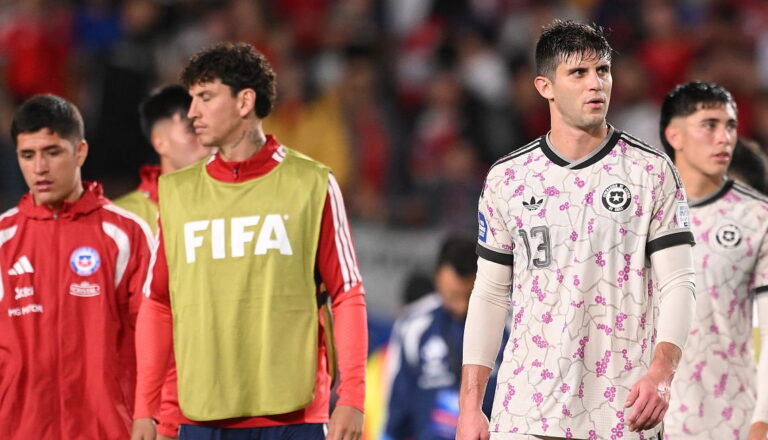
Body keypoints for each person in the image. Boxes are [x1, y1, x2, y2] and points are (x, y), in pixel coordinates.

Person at [457, 20, 696, 440]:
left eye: (603, 70)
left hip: (619, 414)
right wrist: (470, 405)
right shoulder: (508, 179)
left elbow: (679, 282)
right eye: (579, 73)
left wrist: (662, 372)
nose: (596, 84)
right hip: (525, 411)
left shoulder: (651, 172)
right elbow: (491, 294)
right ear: (545, 86)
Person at [131, 42, 368, 440]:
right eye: (191, 100)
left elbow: (347, 293)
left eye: (205, 97)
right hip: (202, 415)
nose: (192, 113)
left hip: (294, 416)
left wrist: (353, 396)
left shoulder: (311, 184)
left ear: (244, 102)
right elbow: (157, 303)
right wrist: (145, 408)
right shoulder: (176, 193)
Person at [0, 94, 153, 438]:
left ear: (80, 151)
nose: (39, 167)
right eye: (28, 155)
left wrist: (150, 413)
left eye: (52, 152)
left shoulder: (125, 234)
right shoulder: (2, 239)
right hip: (19, 429)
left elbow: (153, 335)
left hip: (109, 428)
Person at [659, 82, 768, 440]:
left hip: (731, 422)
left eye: (731, 126)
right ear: (674, 134)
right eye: (710, 125)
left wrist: (763, 419)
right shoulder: (638, 213)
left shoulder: (758, 218)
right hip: (644, 420)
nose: (725, 138)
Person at [114, 85, 210, 440]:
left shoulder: (229, 208)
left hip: (218, 399)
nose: (201, 135)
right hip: (151, 409)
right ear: (160, 142)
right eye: (189, 127)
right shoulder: (122, 221)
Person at [384, 236, 507, 440]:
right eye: (452, 295)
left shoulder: (508, 326)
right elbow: (398, 402)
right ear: (437, 278)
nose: (460, 306)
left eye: (468, 296)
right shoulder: (412, 327)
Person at [114, 84, 210, 234]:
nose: (207, 144)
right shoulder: (121, 218)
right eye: (192, 131)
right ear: (160, 143)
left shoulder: (229, 202)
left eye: (207, 130)